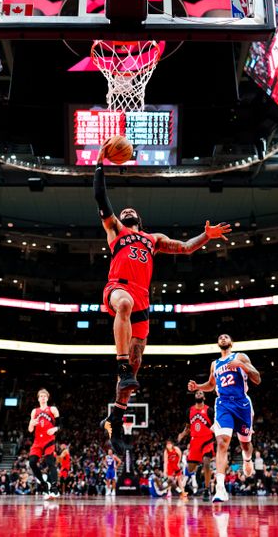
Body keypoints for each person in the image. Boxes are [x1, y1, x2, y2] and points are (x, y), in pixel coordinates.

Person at [93, 142, 231, 452]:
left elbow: (184, 247)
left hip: (142, 300)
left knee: (136, 366)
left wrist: (206, 237)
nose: (126, 211)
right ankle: (120, 366)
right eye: (124, 211)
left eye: (131, 212)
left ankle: (115, 418)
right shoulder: (115, 230)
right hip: (118, 287)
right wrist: (100, 164)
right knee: (124, 308)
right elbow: (100, 198)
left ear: (139, 221)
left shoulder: (153, 240)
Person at [188, 334, 261, 502]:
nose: (223, 338)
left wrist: (242, 365)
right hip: (223, 404)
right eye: (220, 337)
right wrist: (197, 386)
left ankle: (247, 459)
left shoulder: (240, 356)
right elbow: (211, 385)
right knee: (222, 442)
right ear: (218, 343)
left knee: (245, 443)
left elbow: (257, 378)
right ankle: (220, 488)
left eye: (226, 337)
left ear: (231, 343)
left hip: (242, 403)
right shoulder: (215, 364)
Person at [177, 391, 215, 501]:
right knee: (190, 468)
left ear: (204, 397)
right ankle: (199, 466)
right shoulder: (189, 410)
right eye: (197, 393)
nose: (198, 394)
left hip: (207, 440)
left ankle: (207, 490)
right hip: (194, 442)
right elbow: (188, 427)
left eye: (200, 393)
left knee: (207, 463)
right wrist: (182, 434)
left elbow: (215, 425)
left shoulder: (209, 410)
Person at [28, 389, 60, 499]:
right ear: (38, 398)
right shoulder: (34, 411)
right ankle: (44, 484)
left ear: (47, 398)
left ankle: (54, 488)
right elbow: (30, 430)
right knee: (32, 462)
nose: (42, 397)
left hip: (49, 440)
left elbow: (61, 424)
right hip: (37, 441)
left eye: (44, 396)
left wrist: (55, 428)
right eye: (40, 396)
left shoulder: (52, 409)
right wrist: (32, 424)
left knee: (50, 462)